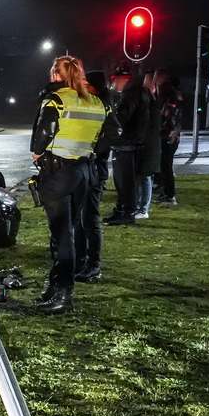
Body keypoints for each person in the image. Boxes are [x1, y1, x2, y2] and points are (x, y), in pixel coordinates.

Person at [30, 55, 107, 314]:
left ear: (56, 74)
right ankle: (55, 288)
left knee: (61, 236)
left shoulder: (56, 99)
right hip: (84, 172)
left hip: (58, 173)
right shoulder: (95, 101)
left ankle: (62, 294)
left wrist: (38, 152)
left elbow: (43, 134)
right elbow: (114, 133)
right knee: (70, 232)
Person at [76, 70, 119, 284]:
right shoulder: (94, 102)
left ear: (95, 86)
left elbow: (114, 132)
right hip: (87, 168)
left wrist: (95, 149)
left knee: (90, 219)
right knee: (82, 218)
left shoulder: (103, 105)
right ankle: (82, 261)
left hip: (95, 170)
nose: (83, 86)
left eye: (86, 83)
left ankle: (93, 266)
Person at [104, 65, 151, 226]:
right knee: (125, 181)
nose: (113, 84)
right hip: (132, 143)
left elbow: (122, 119)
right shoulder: (139, 92)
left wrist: (111, 121)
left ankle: (126, 212)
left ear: (123, 79)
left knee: (124, 182)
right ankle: (122, 210)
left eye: (114, 80)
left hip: (126, 144)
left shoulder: (130, 95)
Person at [135, 72, 162, 220]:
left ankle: (143, 209)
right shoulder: (153, 101)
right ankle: (141, 207)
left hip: (149, 145)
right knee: (144, 176)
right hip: (149, 144)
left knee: (145, 176)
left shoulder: (152, 102)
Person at [154, 70, 183, 205]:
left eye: (156, 77)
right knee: (164, 166)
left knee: (166, 166)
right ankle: (166, 193)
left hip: (168, 137)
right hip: (170, 136)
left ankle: (170, 196)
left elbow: (169, 117)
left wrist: (164, 130)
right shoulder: (172, 94)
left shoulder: (169, 96)